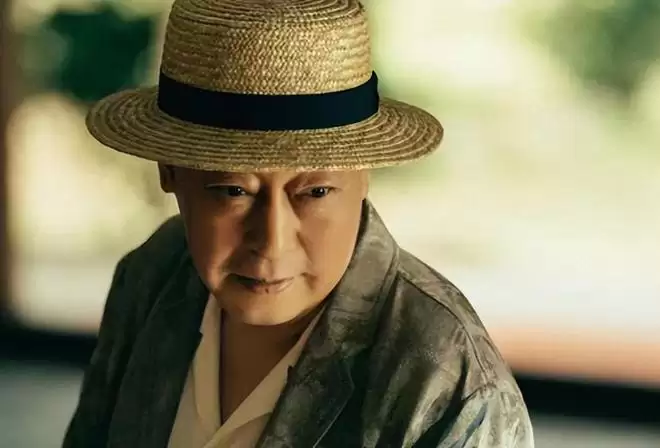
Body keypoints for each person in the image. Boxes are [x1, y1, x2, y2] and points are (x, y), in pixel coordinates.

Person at [63, 0, 534, 447]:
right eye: (233, 191)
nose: (272, 242)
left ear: (364, 174)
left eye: (315, 192)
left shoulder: (447, 384)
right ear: (169, 171)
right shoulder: (152, 276)